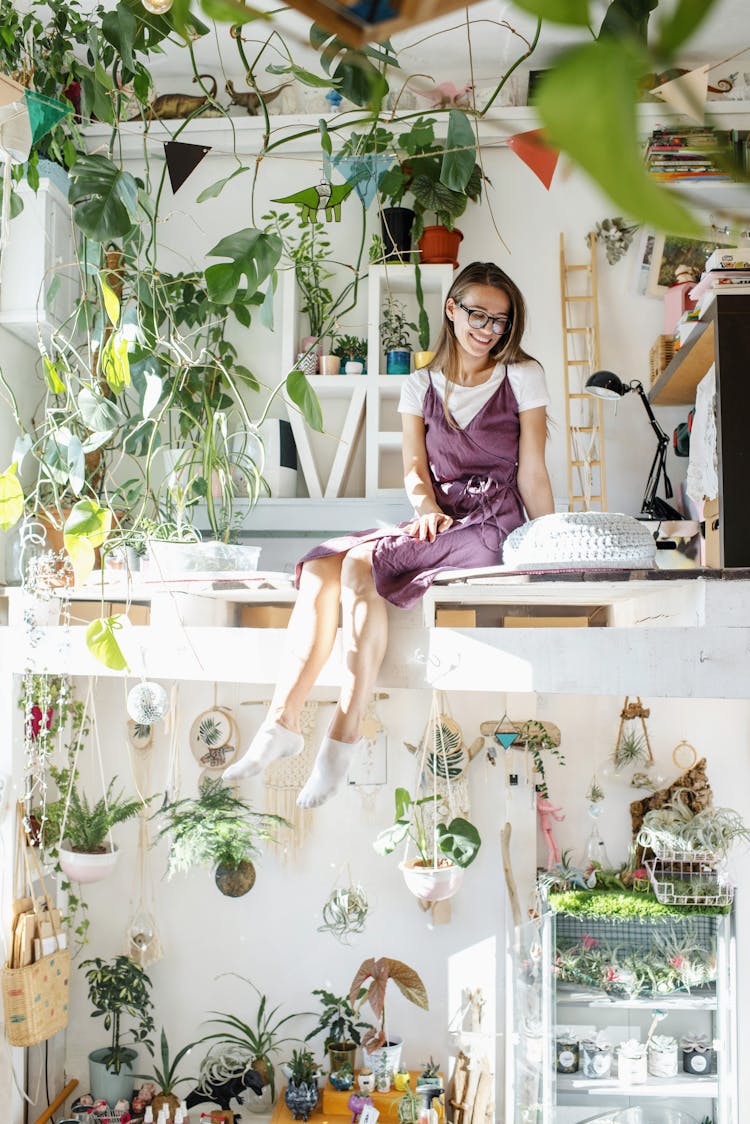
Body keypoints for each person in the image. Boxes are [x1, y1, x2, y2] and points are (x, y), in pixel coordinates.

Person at [223, 261, 554, 806]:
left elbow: (533, 471)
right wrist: (424, 506)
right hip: (440, 517)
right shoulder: (418, 384)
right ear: (451, 309)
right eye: (476, 314)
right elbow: (414, 470)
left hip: (495, 521)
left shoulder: (522, 375)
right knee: (324, 564)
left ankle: (337, 736)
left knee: (358, 564)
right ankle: (286, 723)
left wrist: (548, 548)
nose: (487, 329)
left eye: (500, 320)